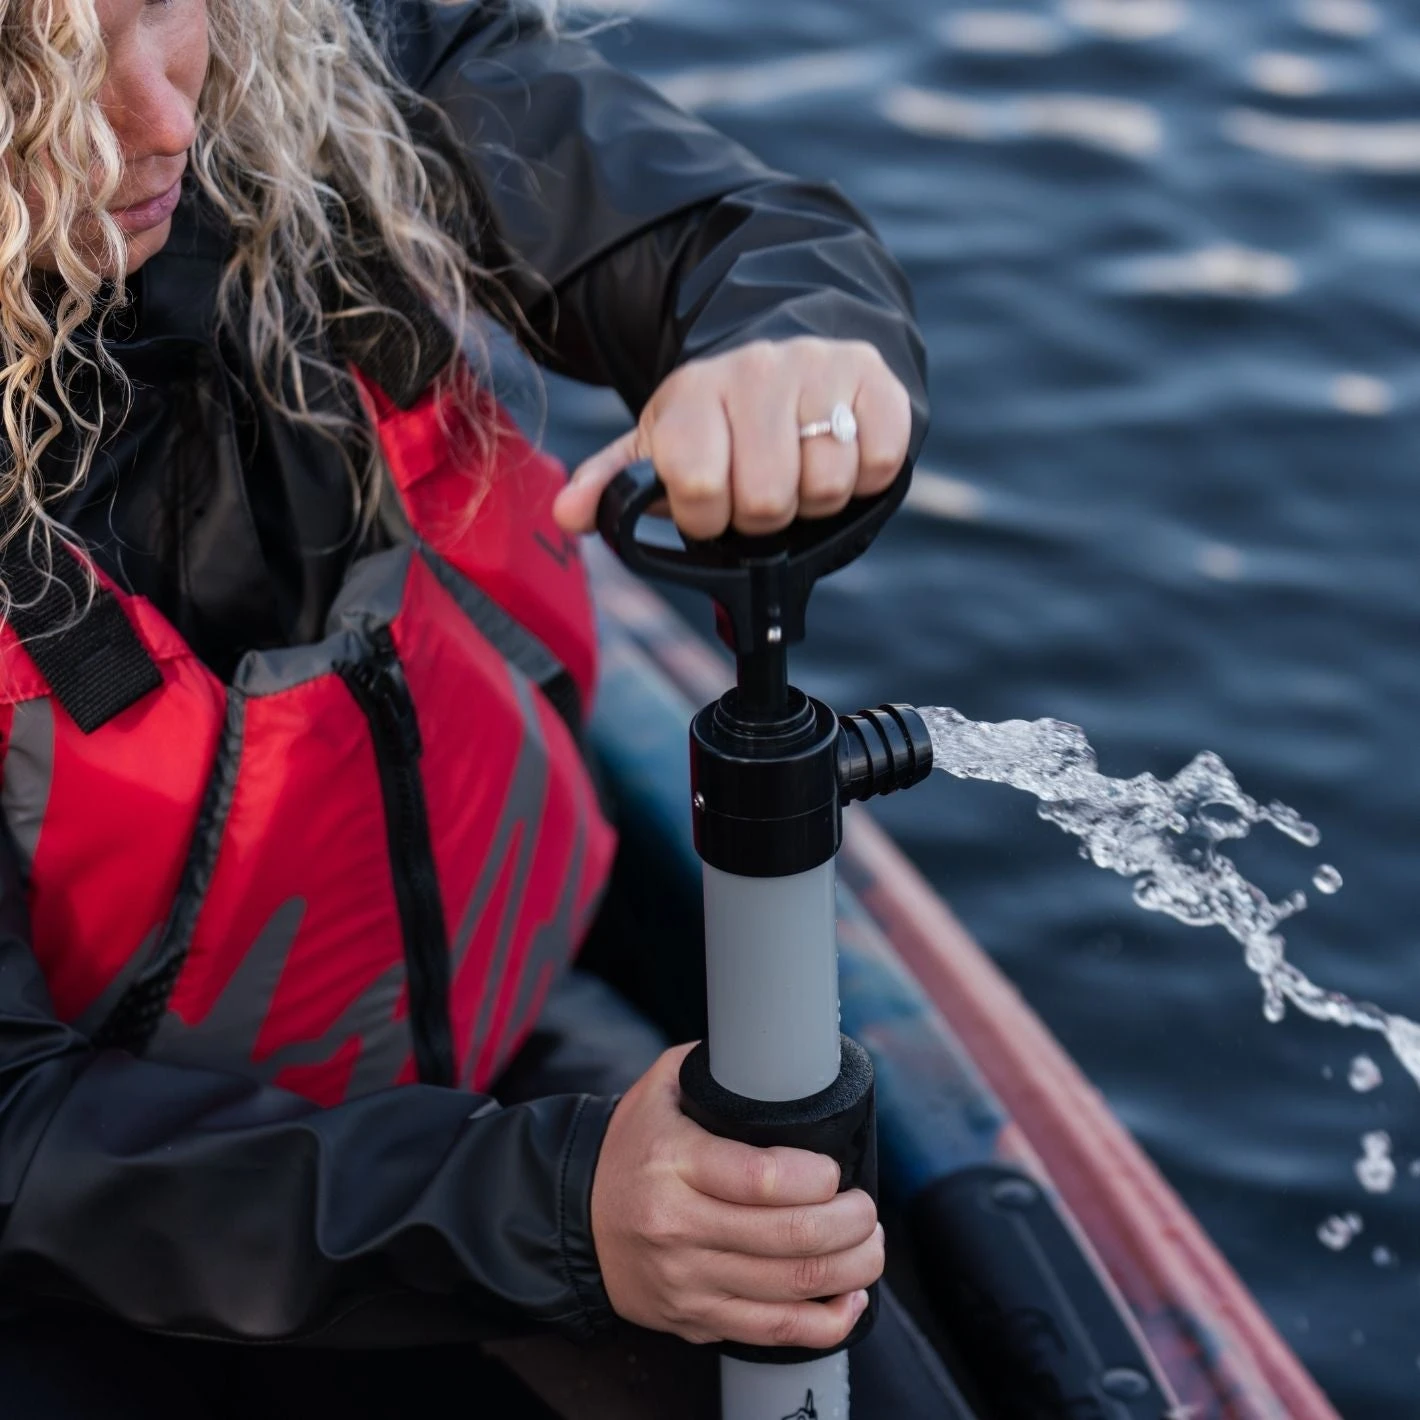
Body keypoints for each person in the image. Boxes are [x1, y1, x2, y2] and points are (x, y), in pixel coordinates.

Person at [0, 1, 961, 1415]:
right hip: (97, 1249)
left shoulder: (332, 51)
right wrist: (559, 1216)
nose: (162, 120)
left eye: (157, 5)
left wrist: (797, 344)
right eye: (35, 69)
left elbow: (711, 229)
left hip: (485, 1050)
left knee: (850, 1325)